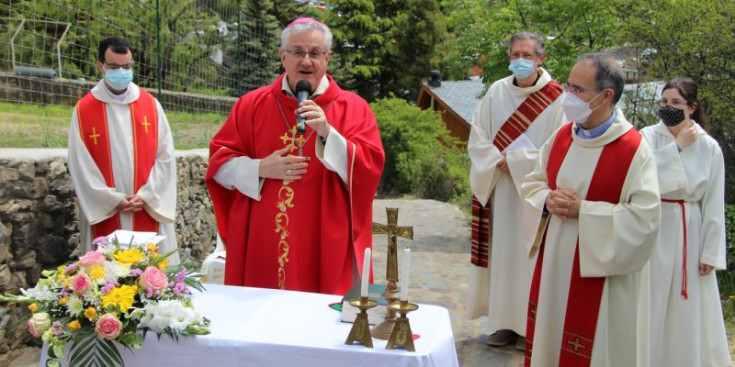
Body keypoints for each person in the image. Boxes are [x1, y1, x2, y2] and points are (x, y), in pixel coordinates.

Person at [206, 18, 384, 295]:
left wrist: (329, 134)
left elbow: (370, 168)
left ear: (327, 58)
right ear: (283, 56)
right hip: (263, 241)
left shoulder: (354, 107)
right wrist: (260, 167)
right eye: (298, 52)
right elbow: (218, 163)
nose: (307, 61)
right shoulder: (251, 105)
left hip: (325, 238)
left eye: (315, 53)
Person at [521, 53, 661, 367]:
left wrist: (584, 210)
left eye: (578, 90)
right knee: (550, 342)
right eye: (568, 87)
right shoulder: (560, 137)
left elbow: (645, 221)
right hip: (555, 266)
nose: (567, 97)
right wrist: (546, 199)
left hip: (602, 281)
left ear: (605, 96)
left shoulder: (634, 150)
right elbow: (533, 181)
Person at [466, 31, 565, 351]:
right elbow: (477, 137)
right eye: (514, 55)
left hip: (534, 194)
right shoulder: (496, 92)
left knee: (529, 259)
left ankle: (528, 328)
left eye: (527, 55)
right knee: (502, 258)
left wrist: (519, 161)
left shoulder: (559, 99)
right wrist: (497, 160)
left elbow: (560, 147)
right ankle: (501, 324)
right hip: (499, 190)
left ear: (541, 59)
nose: (520, 61)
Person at [641, 77, 731, 367]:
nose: (668, 108)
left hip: (687, 229)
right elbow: (642, 180)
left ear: (691, 107)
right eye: (664, 102)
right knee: (652, 301)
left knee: (686, 305)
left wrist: (710, 253)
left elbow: (713, 203)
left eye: (676, 103)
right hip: (653, 225)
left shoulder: (709, 147)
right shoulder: (646, 137)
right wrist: (676, 147)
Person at [67, 37, 179, 265]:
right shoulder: (83, 111)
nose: (122, 72)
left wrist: (147, 195)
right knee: (106, 277)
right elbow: (81, 165)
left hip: (147, 206)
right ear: (101, 66)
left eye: (127, 67)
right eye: (115, 67)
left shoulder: (151, 105)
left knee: (154, 274)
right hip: (108, 211)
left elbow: (165, 157)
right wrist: (113, 200)